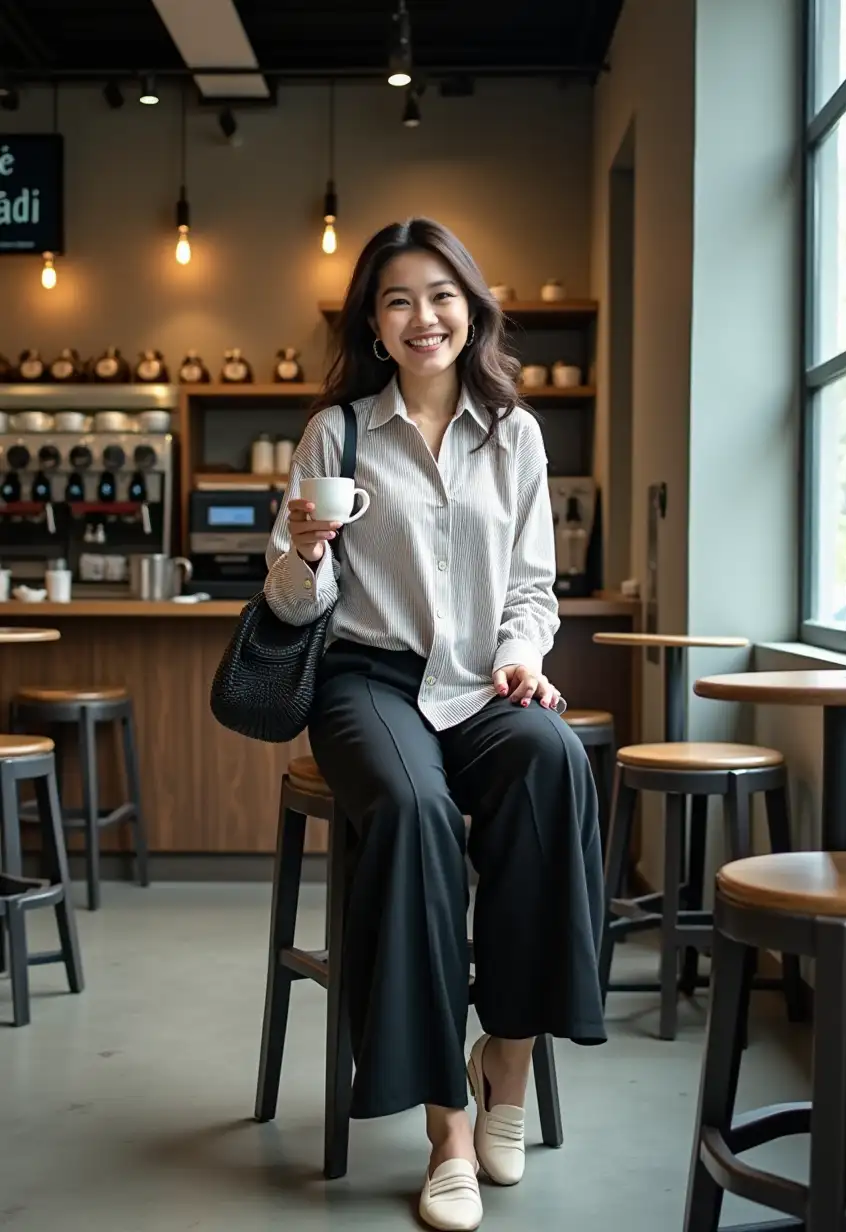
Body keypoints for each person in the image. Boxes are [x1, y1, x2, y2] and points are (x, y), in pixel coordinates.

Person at [265, 217, 606, 1231]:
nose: (424, 316)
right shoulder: (338, 431)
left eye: (441, 293)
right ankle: (447, 1125)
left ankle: (505, 1055)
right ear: (374, 321)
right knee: (411, 810)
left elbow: (535, 588)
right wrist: (306, 550)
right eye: (400, 298)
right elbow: (289, 608)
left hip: (479, 678)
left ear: (472, 304)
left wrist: (522, 658)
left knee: (551, 756)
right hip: (365, 679)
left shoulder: (516, 431)